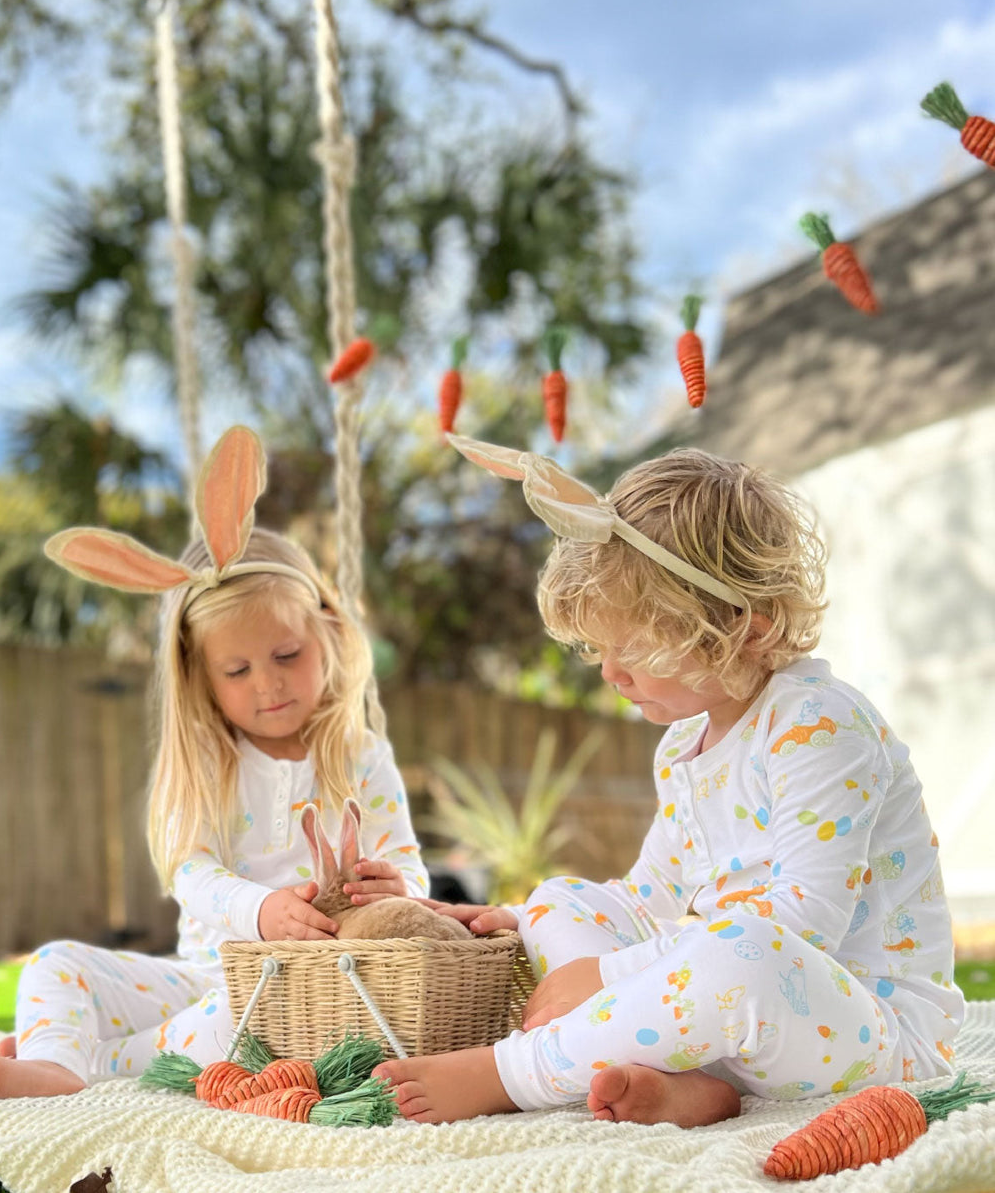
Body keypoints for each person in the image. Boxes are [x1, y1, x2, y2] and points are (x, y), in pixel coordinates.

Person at [375, 434, 964, 1127]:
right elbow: (650, 898)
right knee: (561, 897)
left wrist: (606, 977)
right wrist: (525, 922)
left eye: (635, 648)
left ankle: (516, 1072)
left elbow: (805, 924)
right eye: (601, 649)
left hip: (871, 1031)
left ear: (744, 629)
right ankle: (693, 1086)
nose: (610, 673)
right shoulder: (686, 743)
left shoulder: (818, 727)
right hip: (746, 1013)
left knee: (740, 951)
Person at [0, 427, 430, 1100]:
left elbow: (412, 872)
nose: (269, 685)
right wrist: (261, 912)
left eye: (287, 655)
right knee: (55, 965)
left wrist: (394, 887)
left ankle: (83, 1060)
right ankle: (54, 1059)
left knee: (250, 1026)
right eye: (237, 669)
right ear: (201, 677)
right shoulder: (210, 760)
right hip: (202, 974)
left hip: (299, 993)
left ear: (329, 634)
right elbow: (192, 873)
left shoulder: (359, 755)